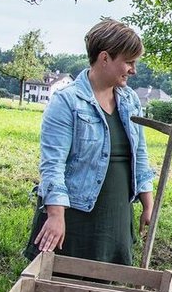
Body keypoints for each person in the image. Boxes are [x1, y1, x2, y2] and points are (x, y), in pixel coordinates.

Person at [27, 18, 155, 265]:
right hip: (74, 216)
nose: (133, 69)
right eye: (128, 62)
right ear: (105, 58)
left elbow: (139, 154)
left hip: (116, 213)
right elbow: (52, 164)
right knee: (60, 289)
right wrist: (55, 215)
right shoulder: (67, 102)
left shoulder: (130, 101)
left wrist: (147, 203)